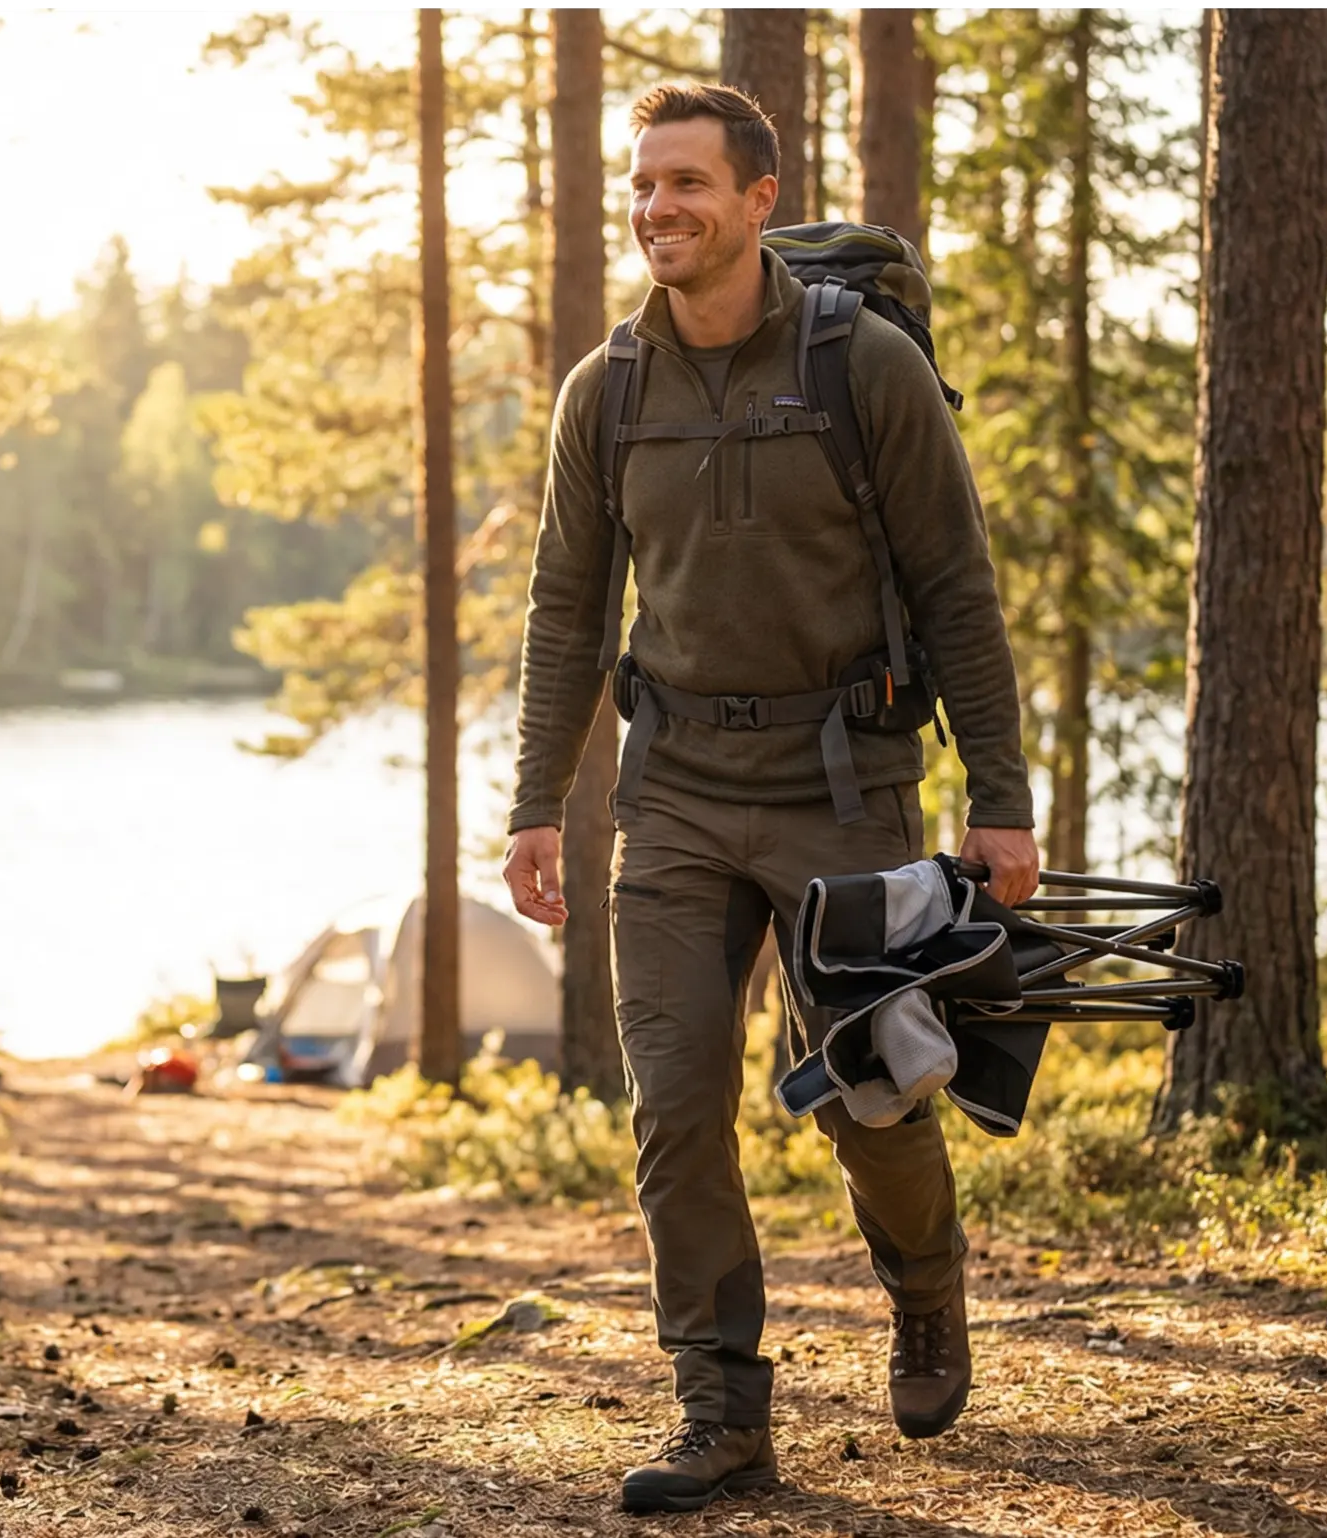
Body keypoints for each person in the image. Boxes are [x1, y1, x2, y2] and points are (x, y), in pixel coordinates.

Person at [499, 83, 1039, 1514]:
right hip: (672, 794)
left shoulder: (866, 368)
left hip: (841, 784)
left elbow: (957, 587)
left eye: (686, 182)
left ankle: (926, 1285)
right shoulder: (606, 390)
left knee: (874, 1092)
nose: (657, 208)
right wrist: (537, 802)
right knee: (677, 1108)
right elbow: (566, 610)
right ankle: (722, 1410)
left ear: (756, 198)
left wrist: (1001, 796)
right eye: (642, 185)